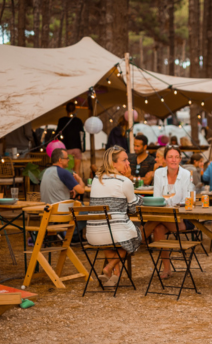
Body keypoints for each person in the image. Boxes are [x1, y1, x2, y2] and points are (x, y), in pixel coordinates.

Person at [86, 146, 144, 287]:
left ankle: (115, 275)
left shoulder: (96, 179)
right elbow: (133, 208)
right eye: (124, 160)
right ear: (113, 164)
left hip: (93, 235)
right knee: (136, 236)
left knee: (110, 234)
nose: (128, 163)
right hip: (114, 233)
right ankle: (110, 266)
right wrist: (128, 179)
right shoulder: (124, 182)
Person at [146, 146, 193, 278]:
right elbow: (157, 197)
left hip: (182, 217)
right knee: (158, 228)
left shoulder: (186, 174)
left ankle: (141, 237)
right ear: (165, 159)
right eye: (170, 157)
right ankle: (166, 268)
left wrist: (169, 207)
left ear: (180, 159)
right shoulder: (158, 173)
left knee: (156, 223)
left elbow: (186, 200)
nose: (174, 160)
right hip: (164, 215)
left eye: (176, 157)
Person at [56, 102, 84, 175]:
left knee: (66, 169)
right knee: (76, 170)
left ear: (66, 110)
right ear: (75, 110)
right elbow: (82, 135)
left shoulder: (61, 121)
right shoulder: (78, 121)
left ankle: (67, 181)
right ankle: (76, 181)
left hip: (65, 149)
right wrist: (83, 148)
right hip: (77, 148)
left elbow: (57, 134)